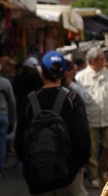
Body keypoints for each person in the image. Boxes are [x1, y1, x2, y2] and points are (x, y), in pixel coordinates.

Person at [15, 51, 90, 195]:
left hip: (38, 176)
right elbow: (82, 139)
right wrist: (80, 163)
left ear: (42, 72)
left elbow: (19, 144)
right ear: (63, 73)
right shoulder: (72, 98)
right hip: (69, 175)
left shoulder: (29, 100)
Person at [75, 47, 108, 189]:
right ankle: (94, 176)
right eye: (102, 59)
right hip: (90, 117)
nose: (104, 61)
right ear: (94, 60)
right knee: (92, 148)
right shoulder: (80, 77)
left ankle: (103, 168)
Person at [0, 62, 16, 178]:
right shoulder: (5, 82)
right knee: (1, 144)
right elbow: (12, 102)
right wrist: (13, 119)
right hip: (3, 116)